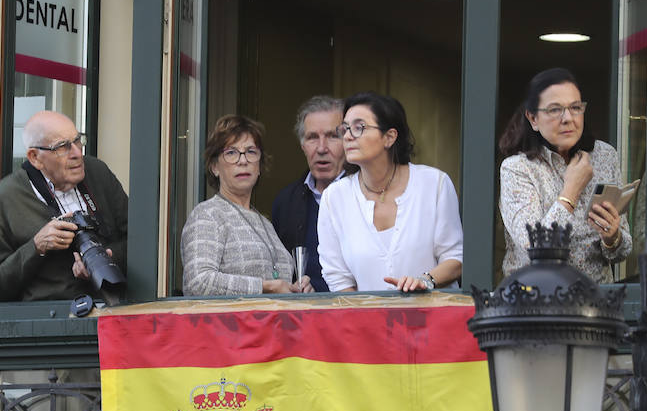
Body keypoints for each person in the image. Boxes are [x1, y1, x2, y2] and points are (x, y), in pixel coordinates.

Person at [317, 92, 463, 292]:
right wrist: (365, 319)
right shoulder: (334, 198)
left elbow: (455, 258)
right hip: (365, 320)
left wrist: (425, 281)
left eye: (359, 128)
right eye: (345, 129)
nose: (348, 136)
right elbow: (337, 278)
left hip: (431, 317)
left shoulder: (434, 183)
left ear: (389, 137)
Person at [498, 67, 630, 282]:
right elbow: (536, 251)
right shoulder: (517, 169)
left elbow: (621, 251)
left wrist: (612, 237)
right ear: (533, 118)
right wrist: (572, 190)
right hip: (535, 303)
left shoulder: (604, 156)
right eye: (554, 110)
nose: (568, 118)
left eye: (575, 107)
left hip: (596, 303)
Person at [0, 110, 129, 302]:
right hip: (49, 320)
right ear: (35, 157)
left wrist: (107, 257)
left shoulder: (98, 173)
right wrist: (37, 247)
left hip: (111, 311)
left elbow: (141, 241)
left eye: (78, 140)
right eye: (63, 147)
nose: (78, 153)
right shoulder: (8, 196)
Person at [182, 115, 310, 297]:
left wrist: (296, 289)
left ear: (259, 165)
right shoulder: (207, 214)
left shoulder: (265, 223)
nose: (243, 161)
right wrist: (266, 287)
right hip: (229, 325)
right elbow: (199, 282)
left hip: (273, 323)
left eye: (251, 151)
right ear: (214, 167)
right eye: (231, 152)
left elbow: (278, 284)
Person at [271, 96, 345, 292]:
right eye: (312, 137)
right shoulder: (285, 202)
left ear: (349, 141)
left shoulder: (366, 195)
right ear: (303, 145)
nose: (322, 148)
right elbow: (278, 271)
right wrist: (293, 288)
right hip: (305, 317)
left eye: (332, 136)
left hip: (357, 311)